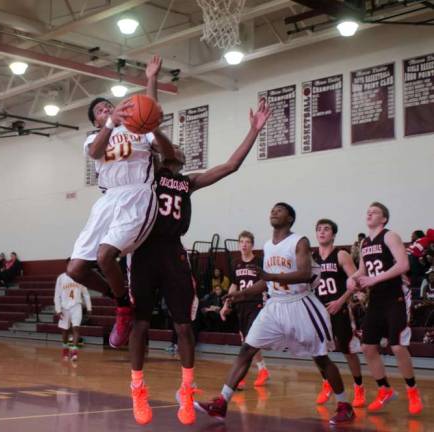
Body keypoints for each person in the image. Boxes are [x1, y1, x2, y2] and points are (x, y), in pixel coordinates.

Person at [128, 99, 271, 425]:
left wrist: (253, 131)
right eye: (171, 146)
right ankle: (137, 386)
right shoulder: (150, 173)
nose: (175, 149)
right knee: (141, 323)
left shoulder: (189, 182)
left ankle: (187, 388)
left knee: (184, 326)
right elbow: (146, 118)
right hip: (145, 250)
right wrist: (151, 86)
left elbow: (231, 165)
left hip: (175, 253)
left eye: (178, 148)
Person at [196, 203, 355, 425]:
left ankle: (344, 405)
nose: (273, 212)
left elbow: (304, 273)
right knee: (246, 349)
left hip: (300, 304)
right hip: (275, 306)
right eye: (272, 209)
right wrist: (240, 294)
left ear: (290, 218)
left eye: (279, 210)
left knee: (321, 358)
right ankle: (222, 402)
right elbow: (265, 281)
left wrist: (271, 277)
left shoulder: (299, 241)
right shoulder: (268, 245)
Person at [66, 55, 175, 349]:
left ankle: (124, 310)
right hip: (108, 201)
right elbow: (94, 153)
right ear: (96, 121)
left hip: (137, 194)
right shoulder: (94, 138)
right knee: (75, 269)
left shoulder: (139, 129)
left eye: (107, 106)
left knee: (104, 257)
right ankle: (122, 301)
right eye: (100, 111)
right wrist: (110, 125)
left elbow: (150, 112)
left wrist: (151, 78)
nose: (106, 109)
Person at [346, 202, 423, 414]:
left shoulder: (390, 236)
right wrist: (352, 280)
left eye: (375, 211)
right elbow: (362, 270)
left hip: (394, 297)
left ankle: (412, 391)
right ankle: (384, 390)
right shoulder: (364, 244)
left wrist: (374, 279)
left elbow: (403, 265)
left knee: (397, 346)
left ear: (384, 218)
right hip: (376, 300)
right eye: (368, 210)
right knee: (367, 347)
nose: (369, 212)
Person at [313, 219, 365, 407]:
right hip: (319, 310)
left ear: (333, 234)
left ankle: (359, 387)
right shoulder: (311, 258)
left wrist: (340, 301)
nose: (322, 232)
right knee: (317, 350)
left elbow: (355, 282)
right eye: (319, 229)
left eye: (326, 229)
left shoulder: (341, 255)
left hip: (340, 307)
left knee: (347, 350)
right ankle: (326, 382)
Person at [220, 230, 269, 390]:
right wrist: (227, 304)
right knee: (247, 340)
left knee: (249, 339)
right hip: (241, 304)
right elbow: (234, 285)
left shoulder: (259, 261)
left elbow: (265, 282)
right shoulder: (235, 263)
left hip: (255, 303)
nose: (244, 245)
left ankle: (240, 376)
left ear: (252, 245)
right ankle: (262, 369)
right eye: (241, 242)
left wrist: (266, 298)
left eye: (247, 242)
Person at [54, 266, 92, 362]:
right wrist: (58, 309)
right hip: (64, 307)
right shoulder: (61, 278)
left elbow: (86, 294)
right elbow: (57, 295)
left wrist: (89, 308)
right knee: (65, 330)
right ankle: (65, 349)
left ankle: (74, 351)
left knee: (76, 328)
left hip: (76, 305)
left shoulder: (80, 277)